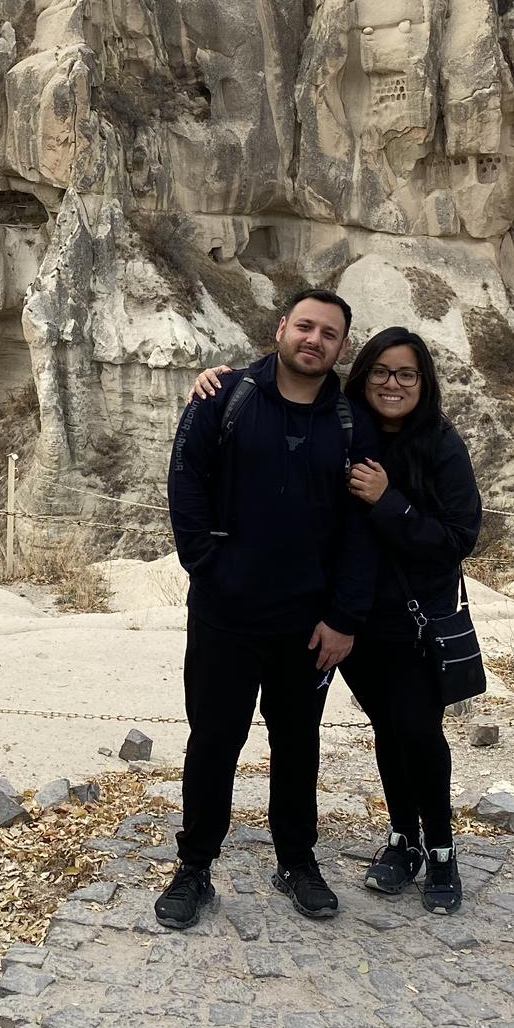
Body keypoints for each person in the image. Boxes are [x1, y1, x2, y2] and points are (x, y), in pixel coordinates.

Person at [188, 324, 482, 915]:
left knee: (418, 733)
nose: (392, 383)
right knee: (386, 730)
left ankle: (442, 851)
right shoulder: (347, 424)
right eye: (381, 372)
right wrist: (219, 378)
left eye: (406, 374)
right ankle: (403, 841)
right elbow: (286, 383)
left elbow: (458, 538)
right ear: (362, 374)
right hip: (351, 622)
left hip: (409, 622)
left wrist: (388, 501)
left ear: (424, 383)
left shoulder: (439, 444)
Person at [158, 289, 379, 931]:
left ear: (341, 347)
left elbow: (361, 528)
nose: (314, 340)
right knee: (214, 741)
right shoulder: (224, 397)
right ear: (281, 328)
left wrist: (344, 619)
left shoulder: (349, 421)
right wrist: (208, 566)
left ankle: (297, 860)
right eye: (304, 326)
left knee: (297, 742)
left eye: (329, 334)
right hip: (225, 614)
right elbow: (186, 483)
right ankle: (195, 866)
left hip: (307, 625)